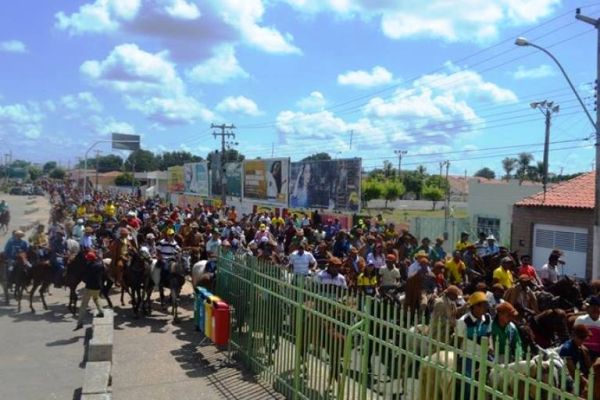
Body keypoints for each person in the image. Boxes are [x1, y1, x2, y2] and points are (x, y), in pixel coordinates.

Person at [455, 291, 493, 400]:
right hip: (468, 355)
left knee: (494, 376)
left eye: (485, 306)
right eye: (482, 306)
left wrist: (491, 346)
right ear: (474, 307)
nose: (485, 308)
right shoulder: (463, 321)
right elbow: (458, 340)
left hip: (484, 354)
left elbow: (489, 335)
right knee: (468, 382)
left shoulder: (488, 318)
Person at [74, 249, 104, 331]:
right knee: (96, 299)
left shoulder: (86, 266)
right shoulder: (99, 266)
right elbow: (103, 270)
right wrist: (100, 259)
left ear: (88, 259)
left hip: (89, 287)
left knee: (83, 305)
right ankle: (101, 312)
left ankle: (80, 323)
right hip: (97, 287)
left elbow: (83, 277)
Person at [559, 324, 593, 394]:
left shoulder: (583, 348)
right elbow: (572, 371)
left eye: (584, 338)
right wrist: (586, 382)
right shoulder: (566, 349)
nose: (583, 340)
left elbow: (589, 367)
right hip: (571, 382)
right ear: (573, 335)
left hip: (584, 378)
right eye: (581, 337)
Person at [574, 296, 600, 360]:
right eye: (592, 307)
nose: (594, 310)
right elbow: (574, 336)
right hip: (581, 352)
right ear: (588, 309)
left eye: (596, 308)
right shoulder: (580, 320)